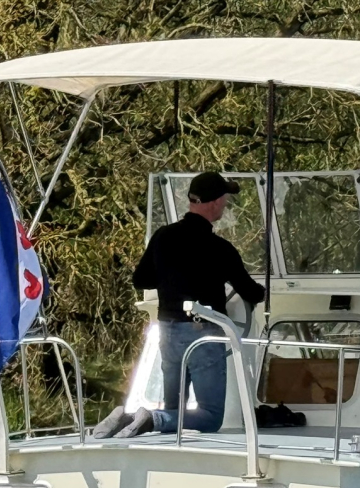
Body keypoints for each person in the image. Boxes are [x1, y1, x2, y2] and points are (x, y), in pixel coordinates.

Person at [95, 171, 265, 439]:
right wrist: (263, 292)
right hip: (204, 335)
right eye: (224, 199)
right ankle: (151, 418)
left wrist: (170, 278)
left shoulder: (163, 237)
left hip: (169, 331)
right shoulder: (220, 249)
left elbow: (141, 280)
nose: (225, 204)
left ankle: (129, 416)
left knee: (175, 410)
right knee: (210, 416)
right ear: (215, 203)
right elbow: (250, 291)